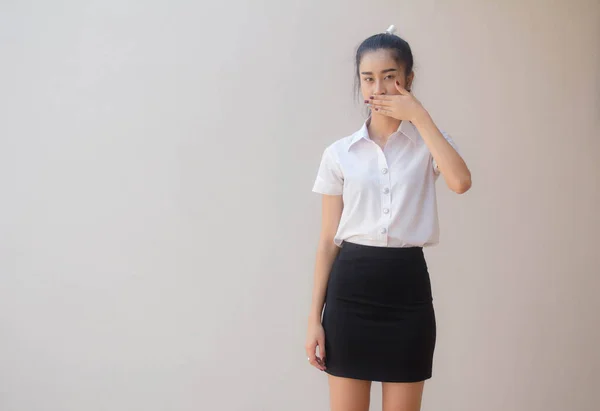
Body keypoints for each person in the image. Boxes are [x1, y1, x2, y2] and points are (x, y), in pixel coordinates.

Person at [305, 25, 472, 411]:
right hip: (349, 293)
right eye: (368, 79)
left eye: (389, 77)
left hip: (407, 292)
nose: (377, 88)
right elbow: (328, 239)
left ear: (408, 80)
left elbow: (461, 182)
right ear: (359, 84)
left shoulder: (429, 143)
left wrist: (420, 116)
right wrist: (314, 318)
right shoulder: (339, 153)